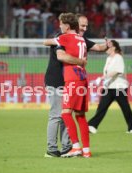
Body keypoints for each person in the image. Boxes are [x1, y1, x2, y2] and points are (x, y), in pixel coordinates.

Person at [43, 13, 91, 158]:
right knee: (69, 115)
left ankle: (70, 147)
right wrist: (81, 61)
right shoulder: (72, 39)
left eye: (61, 23)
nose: (60, 26)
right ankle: (57, 149)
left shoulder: (68, 38)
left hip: (70, 80)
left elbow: (48, 45)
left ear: (67, 25)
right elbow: (58, 51)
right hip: (69, 80)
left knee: (64, 114)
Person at [88, 40, 132, 134]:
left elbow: (117, 71)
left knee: (125, 107)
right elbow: (108, 72)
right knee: (102, 107)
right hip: (109, 87)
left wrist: (102, 77)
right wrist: (104, 79)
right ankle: (92, 126)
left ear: (114, 48)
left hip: (119, 87)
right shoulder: (108, 58)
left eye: (108, 46)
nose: (106, 47)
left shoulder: (118, 57)